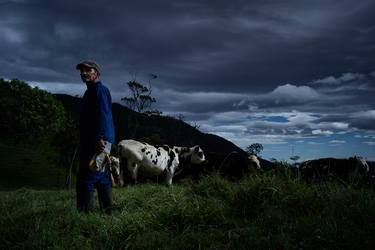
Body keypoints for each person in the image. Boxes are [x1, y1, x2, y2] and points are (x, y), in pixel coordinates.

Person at [75, 60, 115, 214]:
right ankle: (108, 213)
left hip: (98, 143)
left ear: (96, 73)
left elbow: (102, 116)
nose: (84, 73)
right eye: (82, 71)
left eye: (88, 70)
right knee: (101, 177)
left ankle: (85, 219)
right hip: (97, 142)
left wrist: (99, 138)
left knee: (86, 178)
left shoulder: (99, 90)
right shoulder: (90, 91)